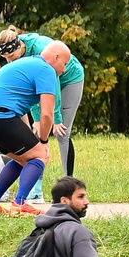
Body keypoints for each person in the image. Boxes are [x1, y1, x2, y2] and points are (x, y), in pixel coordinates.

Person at [0, 29, 66, 215]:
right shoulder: (47, 70)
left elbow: (20, 111)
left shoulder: (26, 64)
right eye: (65, 63)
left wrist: (31, 139)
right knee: (40, 155)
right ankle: (20, 202)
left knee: (23, 158)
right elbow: (47, 114)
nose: (65, 69)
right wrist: (43, 142)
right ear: (55, 57)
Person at [12, 28, 88, 176]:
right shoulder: (16, 54)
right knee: (37, 131)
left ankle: (68, 180)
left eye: (11, 56)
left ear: (20, 47)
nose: (10, 61)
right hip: (49, 82)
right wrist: (37, 120)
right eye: (6, 58)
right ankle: (35, 186)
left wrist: (57, 118)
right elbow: (31, 90)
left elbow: (55, 83)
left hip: (70, 79)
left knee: (62, 133)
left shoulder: (41, 48)